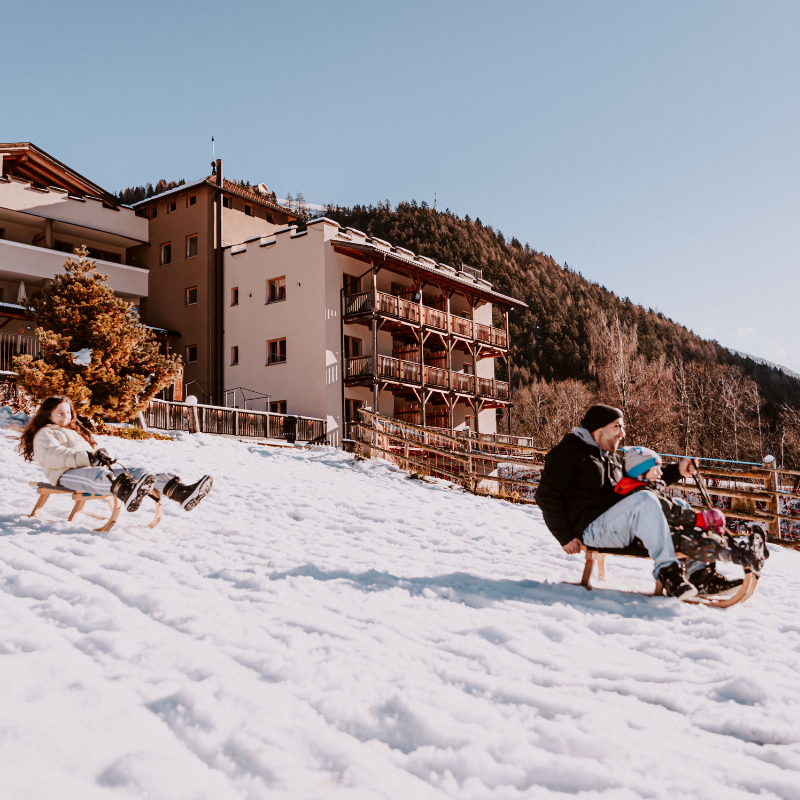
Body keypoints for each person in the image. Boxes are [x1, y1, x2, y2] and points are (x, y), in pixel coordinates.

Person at [535, 404, 762, 599]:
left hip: (621, 525)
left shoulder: (611, 457)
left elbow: (642, 478)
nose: (622, 433)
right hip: (590, 528)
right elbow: (546, 495)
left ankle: (701, 575)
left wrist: (678, 471)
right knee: (645, 498)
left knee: (675, 507)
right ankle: (668, 572)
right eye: (617, 426)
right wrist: (564, 535)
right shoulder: (567, 453)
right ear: (598, 428)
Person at [18, 395, 212, 513]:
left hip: (85, 469)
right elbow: (54, 455)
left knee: (139, 472)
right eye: (60, 413)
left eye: (68, 413)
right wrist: (89, 458)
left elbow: (89, 453)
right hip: (65, 475)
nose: (66, 417)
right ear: (47, 414)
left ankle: (180, 492)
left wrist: (100, 455)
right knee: (101, 476)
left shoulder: (74, 431)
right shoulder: (45, 433)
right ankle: (128, 492)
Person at [615, 446, 766, 594]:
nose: (661, 473)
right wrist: (700, 518)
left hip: (659, 532)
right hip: (647, 538)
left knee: (696, 532)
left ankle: (712, 570)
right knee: (689, 538)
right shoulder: (640, 494)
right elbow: (671, 512)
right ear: (640, 473)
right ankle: (736, 556)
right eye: (656, 470)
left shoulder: (649, 489)